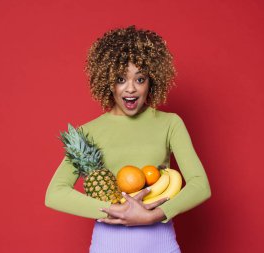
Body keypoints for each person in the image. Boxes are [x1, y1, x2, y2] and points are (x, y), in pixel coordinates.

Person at [45, 25, 211, 253]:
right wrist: (114, 210)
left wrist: (154, 215)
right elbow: (55, 193)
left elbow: (200, 185)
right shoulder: (89, 132)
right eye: (121, 79)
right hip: (108, 246)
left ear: (152, 80)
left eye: (140, 79)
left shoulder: (170, 123)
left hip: (161, 245)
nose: (130, 89)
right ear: (108, 81)